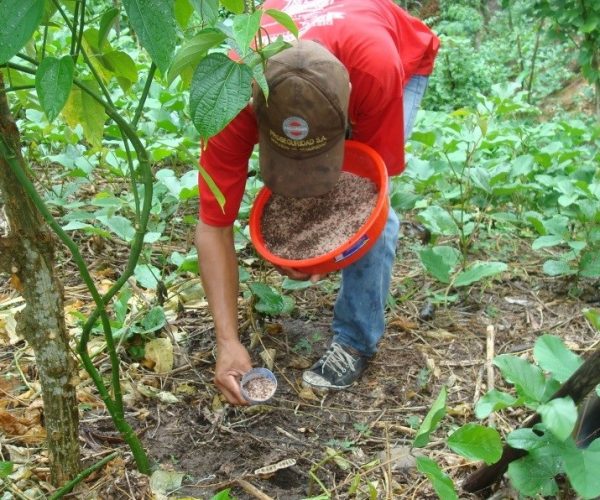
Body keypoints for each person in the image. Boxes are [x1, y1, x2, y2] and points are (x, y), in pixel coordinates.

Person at [195, 0, 440, 405]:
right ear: (256, 114)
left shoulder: (374, 73)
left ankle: (356, 339)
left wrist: (333, 250)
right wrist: (227, 340)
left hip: (398, 59)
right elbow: (212, 225)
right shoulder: (230, 97)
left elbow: (372, 197)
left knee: (376, 213)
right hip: (328, 63)